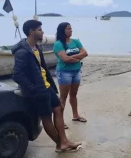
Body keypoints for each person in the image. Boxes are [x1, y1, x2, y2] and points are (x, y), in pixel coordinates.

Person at [12, 20, 82, 153]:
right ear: (31, 32)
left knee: (58, 109)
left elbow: (42, 68)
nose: (42, 32)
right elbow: (17, 75)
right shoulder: (22, 52)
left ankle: (64, 142)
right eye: (39, 29)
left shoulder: (36, 48)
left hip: (46, 86)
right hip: (38, 90)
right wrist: (32, 89)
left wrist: (49, 85)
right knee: (46, 117)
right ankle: (60, 144)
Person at [53, 22, 88, 128]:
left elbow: (85, 53)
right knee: (63, 96)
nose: (71, 30)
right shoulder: (58, 44)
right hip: (64, 72)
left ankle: (75, 115)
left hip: (76, 71)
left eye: (71, 28)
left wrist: (73, 58)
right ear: (63, 30)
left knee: (74, 94)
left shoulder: (76, 41)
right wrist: (78, 57)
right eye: (68, 29)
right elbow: (65, 59)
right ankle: (60, 120)